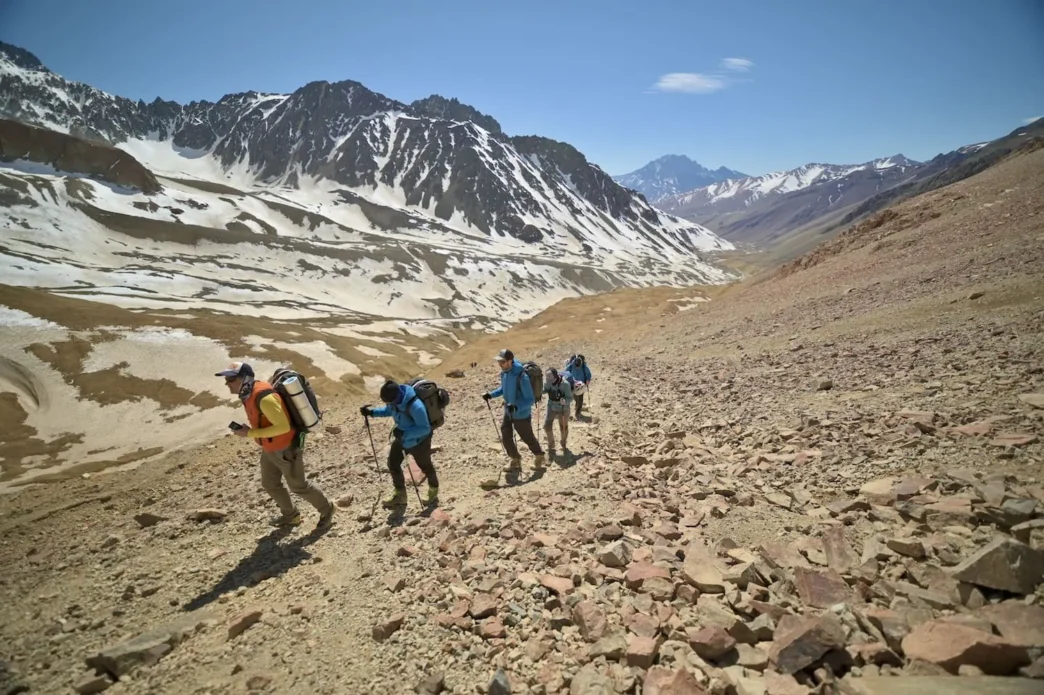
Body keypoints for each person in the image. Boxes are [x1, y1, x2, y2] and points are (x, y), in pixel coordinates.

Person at [217, 361, 334, 530]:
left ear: (244, 379)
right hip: (270, 448)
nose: (227, 384)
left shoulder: (263, 397)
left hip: (286, 448)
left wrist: (249, 433)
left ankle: (327, 509)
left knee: (298, 486)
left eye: (230, 380)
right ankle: (291, 516)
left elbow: (283, 427)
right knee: (270, 483)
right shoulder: (248, 394)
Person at [361, 379, 439, 508]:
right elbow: (388, 410)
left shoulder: (416, 406)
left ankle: (433, 489)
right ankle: (400, 495)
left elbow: (425, 428)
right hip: (402, 438)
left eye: (389, 402)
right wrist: (372, 413)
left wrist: (404, 433)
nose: (388, 404)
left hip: (419, 441)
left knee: (425, 466)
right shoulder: (395, 402)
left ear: (396, 397)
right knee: (393, 463)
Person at [482, 349, 546, 473]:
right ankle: (515, 459)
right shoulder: (505, 373)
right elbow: (503, 389)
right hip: (508, 411)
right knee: (506, 436)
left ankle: (539, 455)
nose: (500, 364)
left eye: (503, 362)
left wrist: (516, 407)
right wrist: (491, 394)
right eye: (499, 361)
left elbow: (530, 399)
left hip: (521, 414)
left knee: (527, 437)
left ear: (510, 361)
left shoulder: (522, 376)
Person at [542, 367, 574, 458]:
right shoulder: (547, 383)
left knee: (563, 427)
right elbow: (544, 391)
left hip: (563, 408)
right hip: (551, 406)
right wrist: (538, 392)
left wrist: (565, 401)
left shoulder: (565, 384)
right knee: (547, 426)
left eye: (549, 376)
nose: (547, 378)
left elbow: (570, 397)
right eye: (546, 376)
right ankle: (551, 445)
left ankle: (563, 442)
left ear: (555, 376)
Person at [564, 354, 592, 418]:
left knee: (580, 398)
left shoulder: (584, 366)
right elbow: (566, 371)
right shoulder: (571, 365)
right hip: (573, 384)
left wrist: (588, 380)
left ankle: (578, 412)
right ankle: (577, 406)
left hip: (581, 384)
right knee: (575, 397)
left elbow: (588, 374)